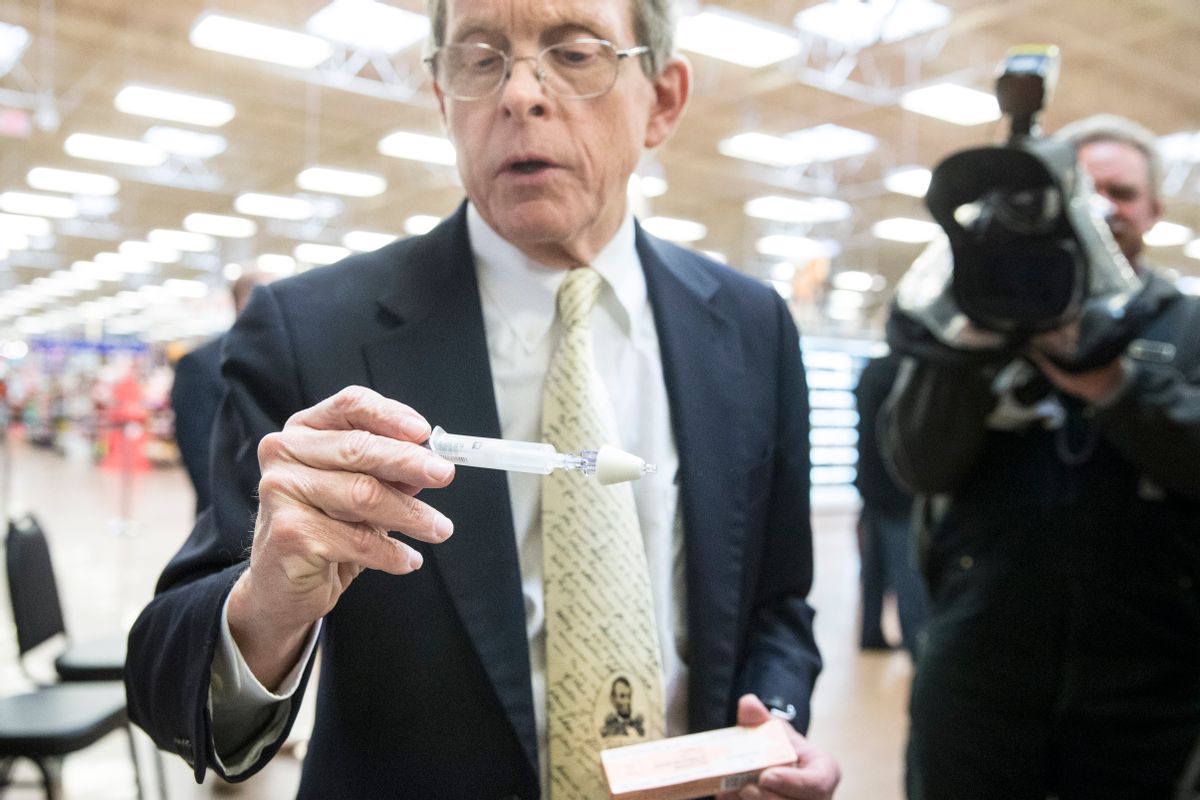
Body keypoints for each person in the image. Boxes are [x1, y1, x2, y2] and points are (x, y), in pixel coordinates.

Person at [124, 0, 840, 797]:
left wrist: (771, 722)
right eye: (479, 57)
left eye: (573, 53)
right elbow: (165, 680)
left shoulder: (749, 326)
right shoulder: (312, 335)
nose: (519, 95)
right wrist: (267, 605)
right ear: (442, 98)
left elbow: (776, 601)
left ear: (663, 100)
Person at [884, 114, 1200, 799]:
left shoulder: (1185, 321)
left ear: (1153, 211)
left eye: (1121, 190)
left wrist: (1112, 386)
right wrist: (968, 346)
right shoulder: (972, 315)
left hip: (1146, 676)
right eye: (1084, 189)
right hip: (976, 666)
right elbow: (916, 463)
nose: (1102, 207)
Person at [170, 271, 270, 514]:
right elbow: (198, 455)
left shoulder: (281, 360)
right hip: (228, 522)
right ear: (246, 299)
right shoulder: (199, 364)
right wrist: (229, 517)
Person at [853, 349, 928, 656]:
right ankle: (916, 645)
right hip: (898, 490)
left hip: (870, 487)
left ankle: (871, 633)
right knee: (906, 573)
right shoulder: (906, 373)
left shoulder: (872, 371)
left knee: (874, 570)